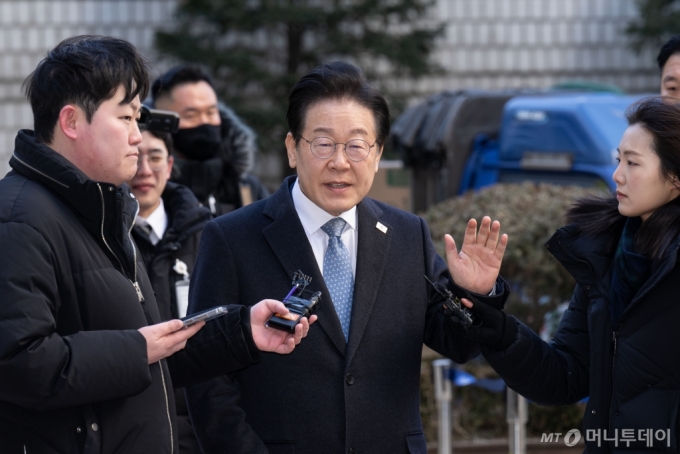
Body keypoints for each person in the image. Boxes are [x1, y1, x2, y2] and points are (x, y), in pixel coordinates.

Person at [0, 35, 313, 454]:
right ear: (72, 122)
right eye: (126, 118)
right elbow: (20, 364)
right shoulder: (20, 217)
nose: (136, 135)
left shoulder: (98, 211)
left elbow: (153, 350)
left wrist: (241, 332)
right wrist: (136, 349)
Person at [185, 61, 510, 454]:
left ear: (377, 155)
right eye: (323, 143)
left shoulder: (408, 235)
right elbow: (207, 377)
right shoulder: (232, 238)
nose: (340, 162)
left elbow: (459, 343)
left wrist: (477, 294)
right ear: (292, 149)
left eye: (356, 145)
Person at [451, 96, 680, 452]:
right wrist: (494, 323)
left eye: (633, 163)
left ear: (675, 177)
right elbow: (564, 376)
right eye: (618, 159)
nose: (617, 174)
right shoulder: (604, 257)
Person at [127, 130, 210, 453]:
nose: (144, 170)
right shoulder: (101, 240)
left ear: (171, 163)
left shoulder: (207, 236)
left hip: (197, 424)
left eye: (156, 157)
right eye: (136, 156)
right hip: (130, 424)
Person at [151, 65, 270, 215]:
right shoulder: (147, 188)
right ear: (164, 121)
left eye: (211, 112)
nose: (205, 121)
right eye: (190, 115)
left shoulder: (247, 190)